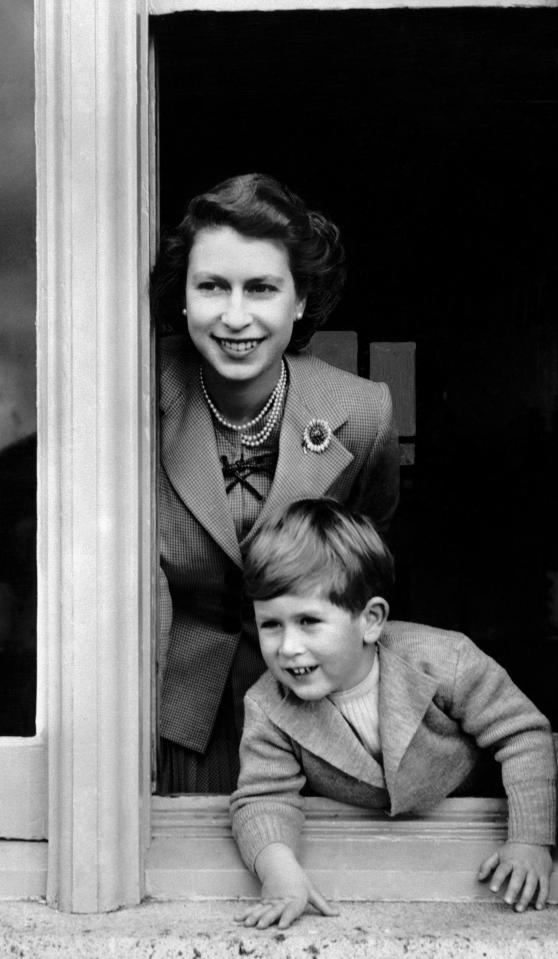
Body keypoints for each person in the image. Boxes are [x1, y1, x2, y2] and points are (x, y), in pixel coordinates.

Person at [150, 174, 400, 794]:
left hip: (316, 712)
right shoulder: (138, 393)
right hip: (170, 715)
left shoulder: (364, 413)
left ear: (298, 300)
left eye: (261, 288)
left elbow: (365, 566)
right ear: (183, 298)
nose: (237, 317)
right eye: (212, 287)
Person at [230, 498, 558, 928]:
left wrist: (530, 841)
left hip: (473, 831)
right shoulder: (268, 704)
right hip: (374, 854)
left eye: (308, 621)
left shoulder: (444, 659)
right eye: (271, 624)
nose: (288, 647)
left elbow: (524, 735)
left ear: (370, 620)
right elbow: (262, 797)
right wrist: (279, 871)